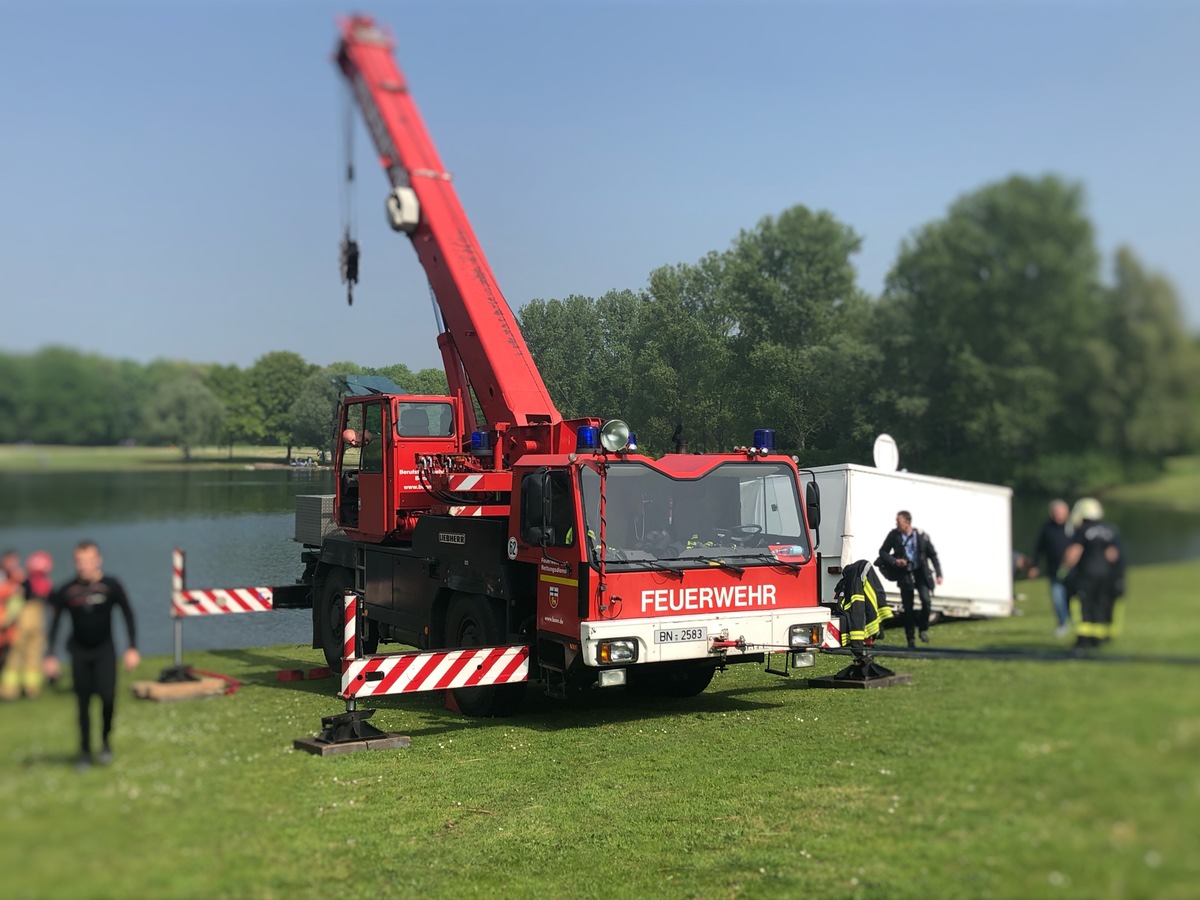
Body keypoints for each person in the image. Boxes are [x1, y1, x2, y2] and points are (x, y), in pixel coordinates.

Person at [43, 541, 140, 770]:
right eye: (80, 561)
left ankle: (105, 743)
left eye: (89, 560)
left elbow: (128, 614)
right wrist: (50, 655)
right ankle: (85, 752)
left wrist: (132, 647)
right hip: (80, 653)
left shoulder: (111, 586)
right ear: (75, 563)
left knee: (107, 699)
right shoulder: (67, 591)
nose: (84, 566)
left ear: (98, 560)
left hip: (104, 652)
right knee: (83, 704)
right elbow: (55, 624)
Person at [1059, 498, 1124, 651]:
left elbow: (1074, 552)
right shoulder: (1108, 530)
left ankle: (1083, 640)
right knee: (1100, 605)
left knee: (1083, 606)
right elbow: (1112, 555)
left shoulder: (1083, 530)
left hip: (1087, 575)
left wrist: (1063, 569)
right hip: (1106, 576)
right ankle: (1098, 639)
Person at [878, 510, 943, 648]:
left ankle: (923, 628)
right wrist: (895, 561)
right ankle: (911, 639)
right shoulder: (894, 535)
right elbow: (883, 552)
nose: (896, 524)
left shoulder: (920, 535)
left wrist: (938, 573)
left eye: (899, 521)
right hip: (905, 573)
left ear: (907, 522)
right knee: (908, 609)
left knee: (926, 602)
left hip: (921, 573)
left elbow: (932, 555)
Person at [0, 551, 53, 699]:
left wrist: (5, 621)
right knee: (33, 657)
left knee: (15, 658)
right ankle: (31, 690)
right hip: (37, 626)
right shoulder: (45, 584)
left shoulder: (22, 583)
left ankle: (9, 691)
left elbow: (14, 606)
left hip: (21, 626)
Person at [1027, 499, 1075, 638]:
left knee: (1071, 599)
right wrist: (1034, 566)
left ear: (1067, 513)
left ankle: (1074, 622)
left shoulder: (1073, 528)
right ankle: (1062, 624)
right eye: (1055, 512)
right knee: (1057, 599)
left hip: (1073, 572)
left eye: (1061, 512)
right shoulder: (1047, 528)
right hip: (1054, 571)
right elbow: (1039, 548)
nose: (1058, 515)